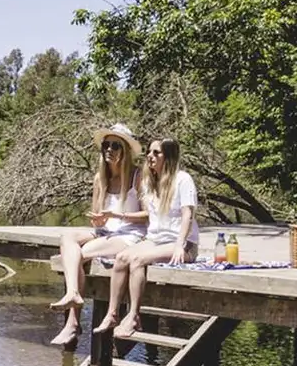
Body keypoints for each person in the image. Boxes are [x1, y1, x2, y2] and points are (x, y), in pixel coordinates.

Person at [48, 123, 148, 346]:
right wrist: (98, 219)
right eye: (106, 145)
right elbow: (96, 217)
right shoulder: (99, 178)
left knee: (80, 254)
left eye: (115, 145)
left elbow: (149, 215)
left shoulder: (138, 176)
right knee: (67, 239)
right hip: (105, 233)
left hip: (130, 234)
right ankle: (73, 294)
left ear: (126, 150)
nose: (109, 150)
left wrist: (120, 215)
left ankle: (73, 321)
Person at [94, 138, 200, 338]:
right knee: (122, 258)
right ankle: (112, 313)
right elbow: (148, 217)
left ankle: (134, 315)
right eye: (149, 152)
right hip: (155, 240)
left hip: (182, 244)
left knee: (137, 260)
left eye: (156, 153)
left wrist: (180, 245)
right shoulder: (150, 182)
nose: (150, 157)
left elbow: (188, 214)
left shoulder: (183, 179)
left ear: (168, 157)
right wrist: (115, 217)